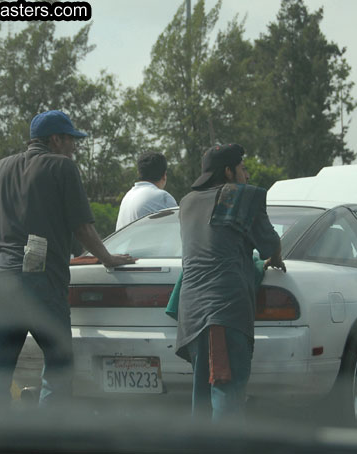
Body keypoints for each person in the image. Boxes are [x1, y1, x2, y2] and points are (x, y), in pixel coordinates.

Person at [0, 110, 136, 412]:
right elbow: (83, 227)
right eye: (71, 140)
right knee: (58, 361)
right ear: (55, 139)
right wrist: (108, 258)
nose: (74, 147)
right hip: (39, 282)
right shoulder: (61, 166)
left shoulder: (2, 167)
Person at [175, 143, 286, 422]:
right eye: (243, 168)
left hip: (190, 313)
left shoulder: (186, 202)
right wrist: (275, 257)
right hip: (223, 311)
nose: (247, 175)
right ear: (228, 171)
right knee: (227, 391)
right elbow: (270, 243)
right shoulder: (242, 195)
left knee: (202, 394)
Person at [115, 152, 177, 230]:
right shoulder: (162, 197)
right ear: (164, 175)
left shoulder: (127, 196)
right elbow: (176, 230)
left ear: (139, 173)